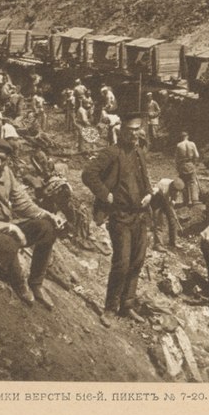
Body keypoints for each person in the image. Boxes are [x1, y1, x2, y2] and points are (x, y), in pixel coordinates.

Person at [0, 138, 65, 308]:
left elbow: (22, 203)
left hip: (6, 227)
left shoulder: (6, 173)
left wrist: (48, 215)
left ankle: (36, 283)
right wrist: (11, 227)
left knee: (47, 228)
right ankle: (19, 284)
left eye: (3, 160)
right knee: (8, 243)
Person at [81, 113, 153, 326]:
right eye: (130, 130)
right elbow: (88, 174)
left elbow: (145, 179)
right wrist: (105, 194)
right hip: (120, 216)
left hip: (139, 216)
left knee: (137, 261)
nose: (134, 134)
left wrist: (148, 193)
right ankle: (110, 308)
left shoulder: (139, 153)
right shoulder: (111, 153)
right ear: (121, 131)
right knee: (122, 262)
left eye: (137, 129)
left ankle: (127, 305)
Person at [150, 178, 184, 249]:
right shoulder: (163, 184)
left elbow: (173, 200)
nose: (175, 192)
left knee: (173, 220)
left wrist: (172, 203)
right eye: (174, 190)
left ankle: (173, 242)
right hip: (157, 200)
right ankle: (158, 244)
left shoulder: (176, 189)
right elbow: (154, 193)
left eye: (177, 191)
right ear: (172, 186)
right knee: (159, 221)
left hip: (166, 201)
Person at [174, 130, 201, 206]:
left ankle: (185, 200)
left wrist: (177, 167)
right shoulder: (192, 144)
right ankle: (194, 199)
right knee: (192, 181)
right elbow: (197, 155)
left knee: (184, 182)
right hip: (190, 163)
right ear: (187, 136)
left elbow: (176, 158)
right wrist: (194, 163)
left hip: (183, 165)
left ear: (181, 137)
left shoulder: (179, 145)